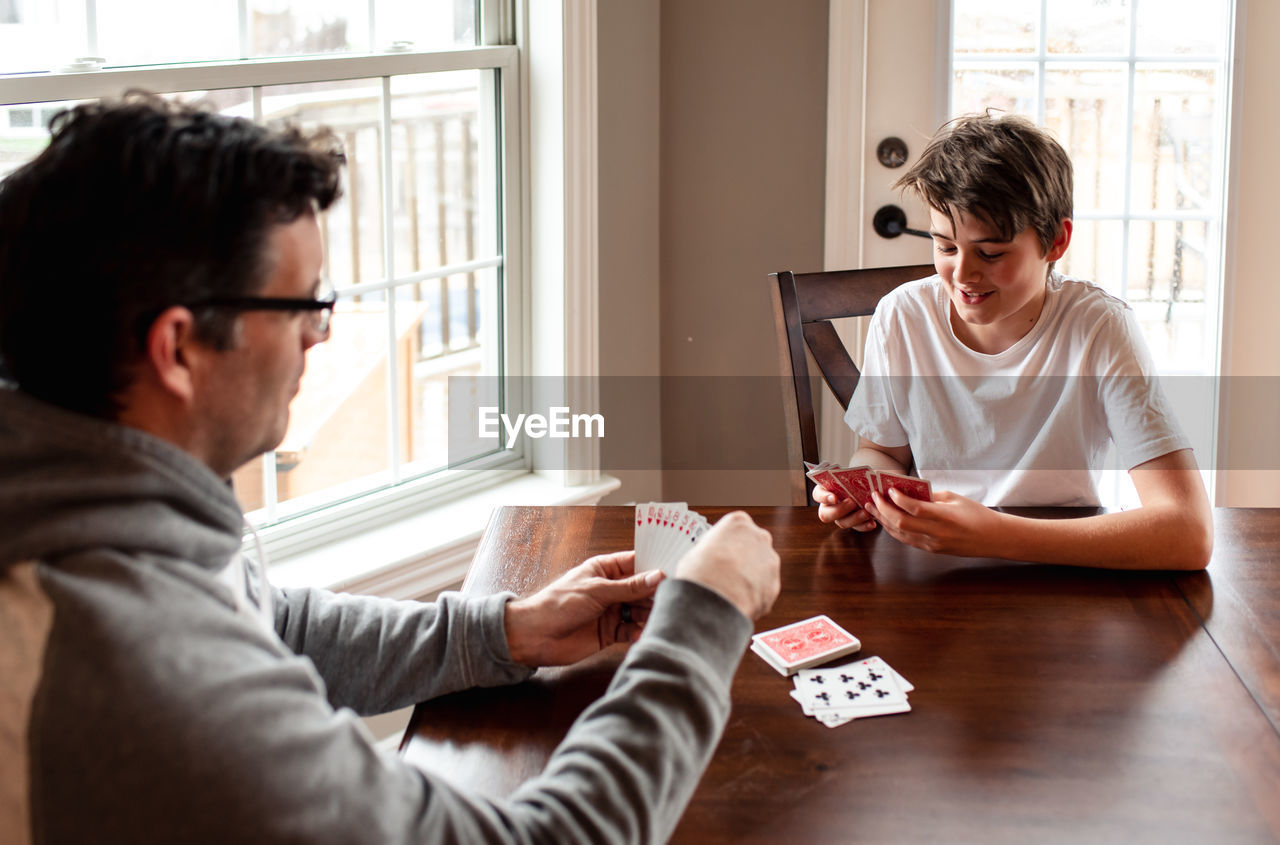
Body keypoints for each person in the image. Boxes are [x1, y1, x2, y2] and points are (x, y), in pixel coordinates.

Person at [0, 93, 780, 843]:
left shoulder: (90, 504)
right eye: (302, 303)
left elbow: (273, 622)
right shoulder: (140, 669)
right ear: (178, 349)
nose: (321, 334)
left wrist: (508, 631)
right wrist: (703, 617)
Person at [815, 112, 1212, 571]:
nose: (962, 275)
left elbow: (1189, 533)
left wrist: (993, 535)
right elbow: (882, 451)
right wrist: (866, 491)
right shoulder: (902, 315)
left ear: (1056, 241)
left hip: (1062, 570)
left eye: (991, 253)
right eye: (945, 247)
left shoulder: (1099, 327)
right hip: (936, 568)